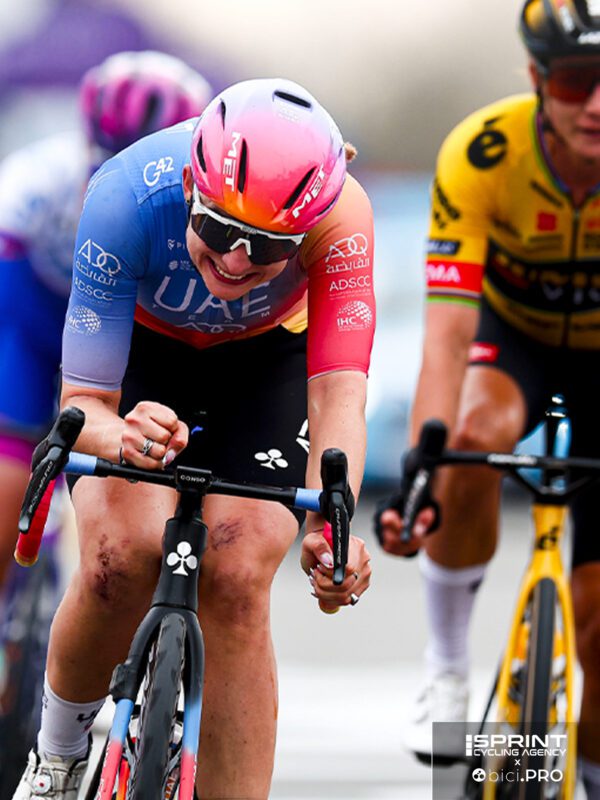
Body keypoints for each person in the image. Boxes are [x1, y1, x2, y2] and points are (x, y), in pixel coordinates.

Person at [13, 77, 375, 799]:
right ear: (189, 186)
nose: (236, 260)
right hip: (144, 356)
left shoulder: (343, 219)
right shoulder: (123, 196)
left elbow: (338, 392)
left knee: (238, 576)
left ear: (307, 228)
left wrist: (331, 527)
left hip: (266, 362)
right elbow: (86, 403)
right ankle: (56, 760)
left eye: (267, 246)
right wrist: (119, 434)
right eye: (218, 229)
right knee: (119, 557)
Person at [376, 0, 600, 793]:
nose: (597, 105)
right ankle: (446, 667)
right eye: (576, 81)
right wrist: (422, 469)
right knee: (471, 435)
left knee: (598, 626)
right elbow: (445, 336)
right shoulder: (482, 152)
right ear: (537, 76)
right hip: (516, 345)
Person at [0, 50, 213, 588]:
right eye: (106, 166)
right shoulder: (36, 178)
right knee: (7, 485)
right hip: (36, 321)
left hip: (129, 325)